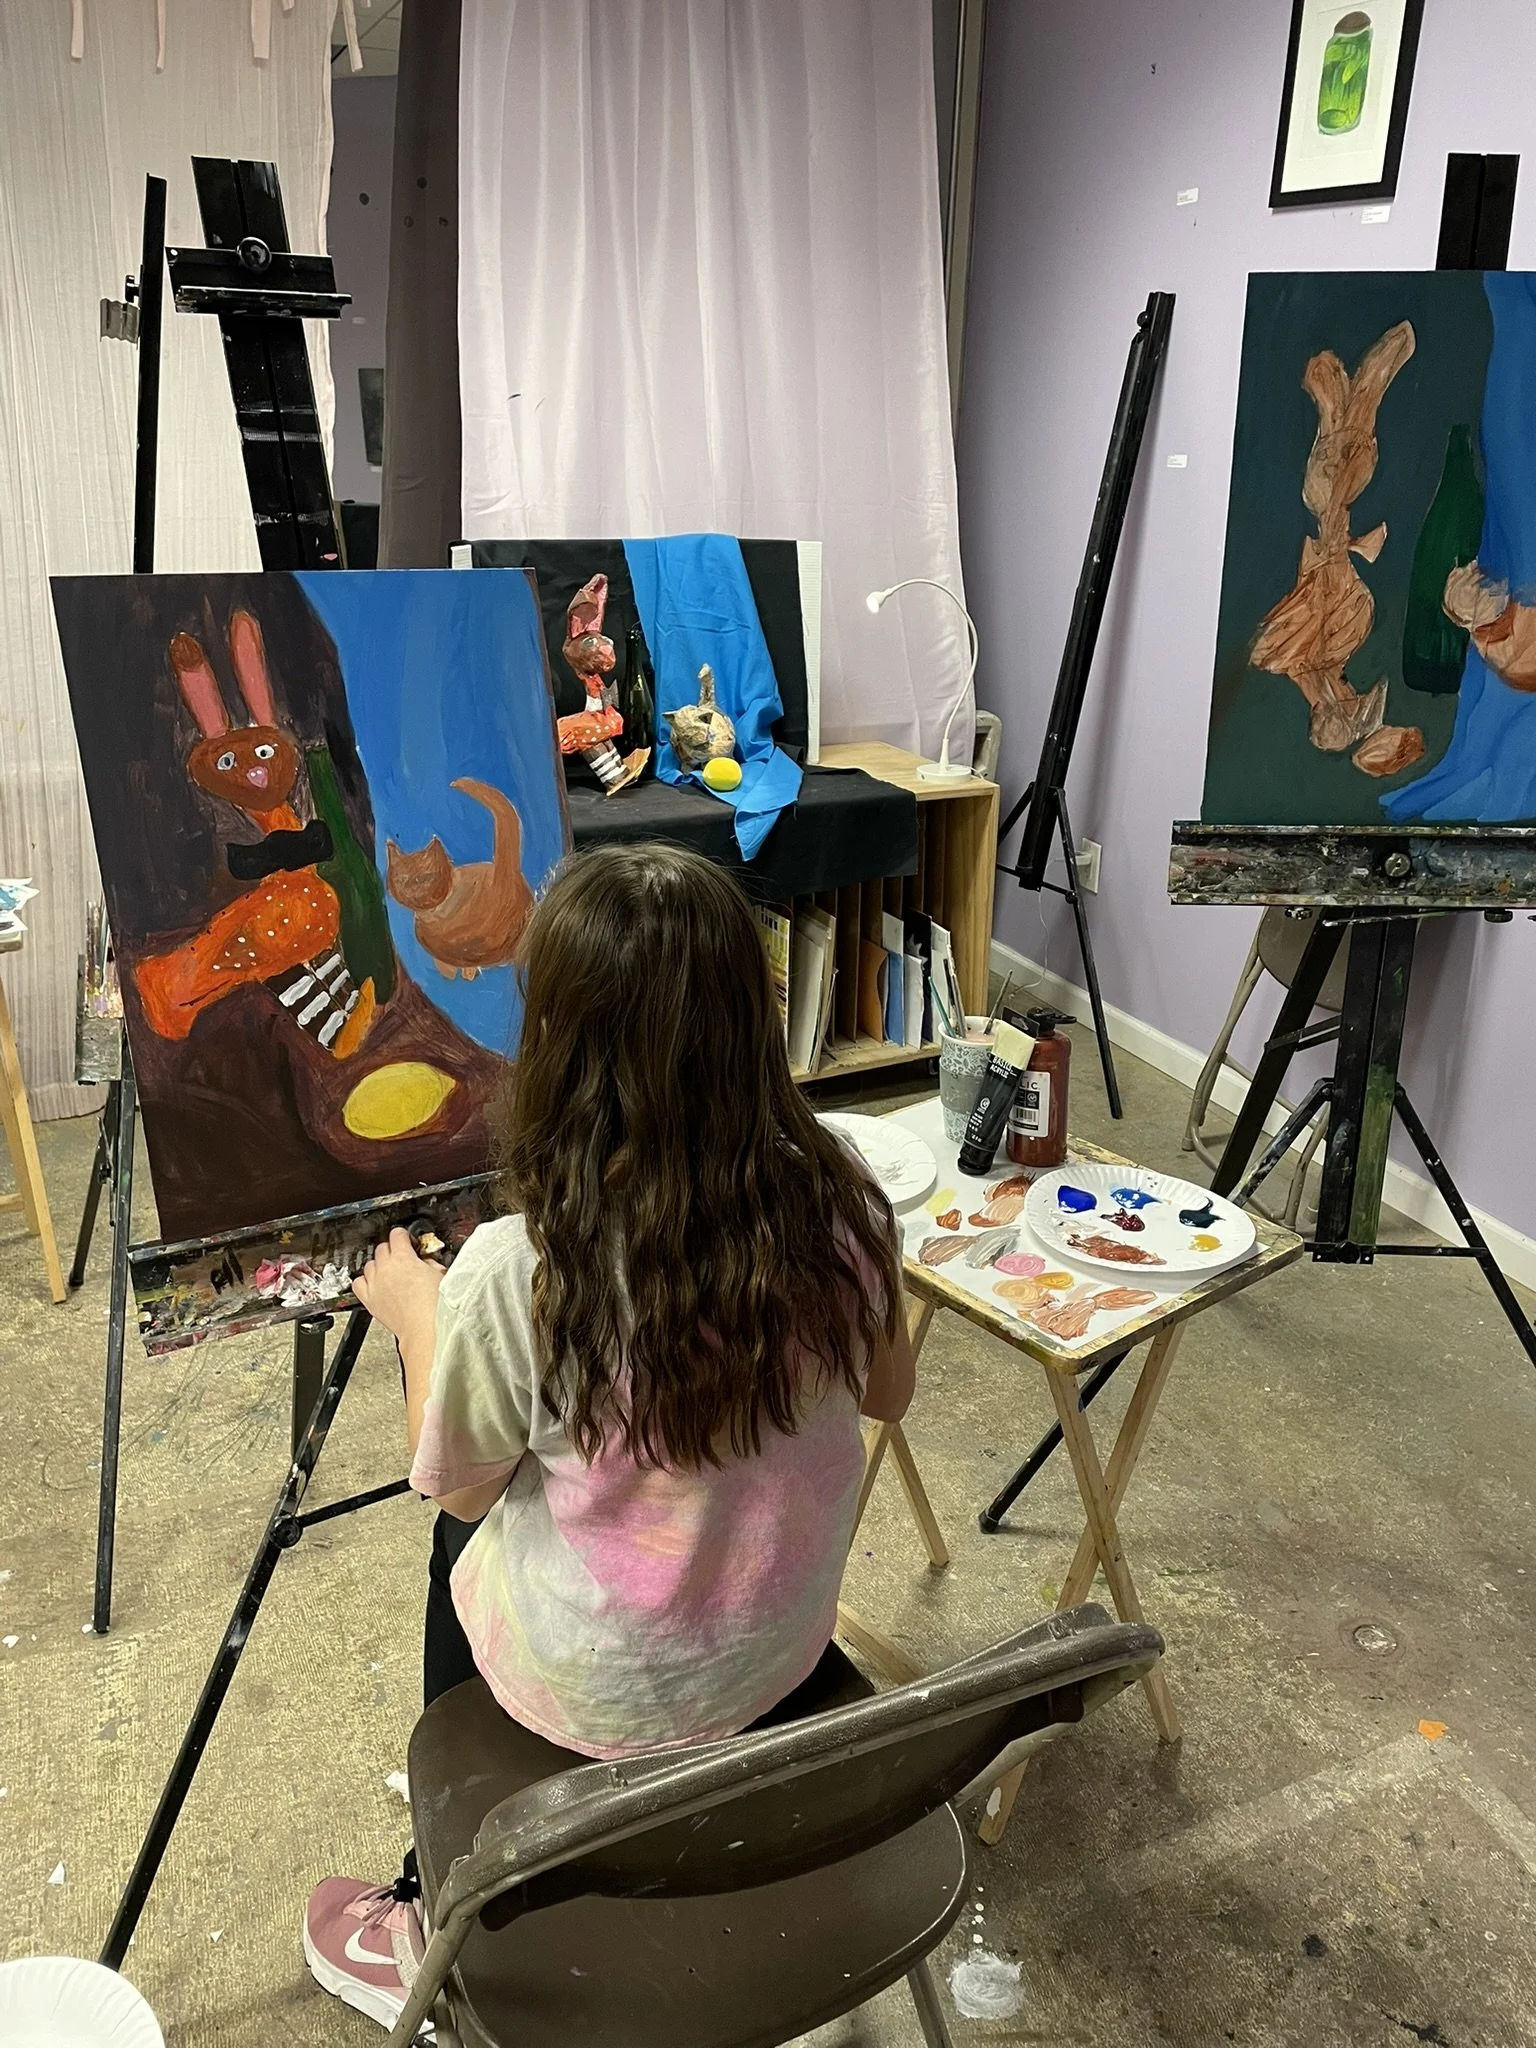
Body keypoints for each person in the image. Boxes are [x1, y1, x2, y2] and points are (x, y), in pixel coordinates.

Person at [302, 843, 914, 2028]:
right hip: (774, 1657)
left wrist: (415, 1313)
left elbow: (464, 1489)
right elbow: (888, 1392)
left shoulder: (521, 1268)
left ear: (559, 1043)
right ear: (753, 1019)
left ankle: (436, 1897)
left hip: (604, 1703)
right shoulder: (844, 1202)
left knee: (457, 1551)